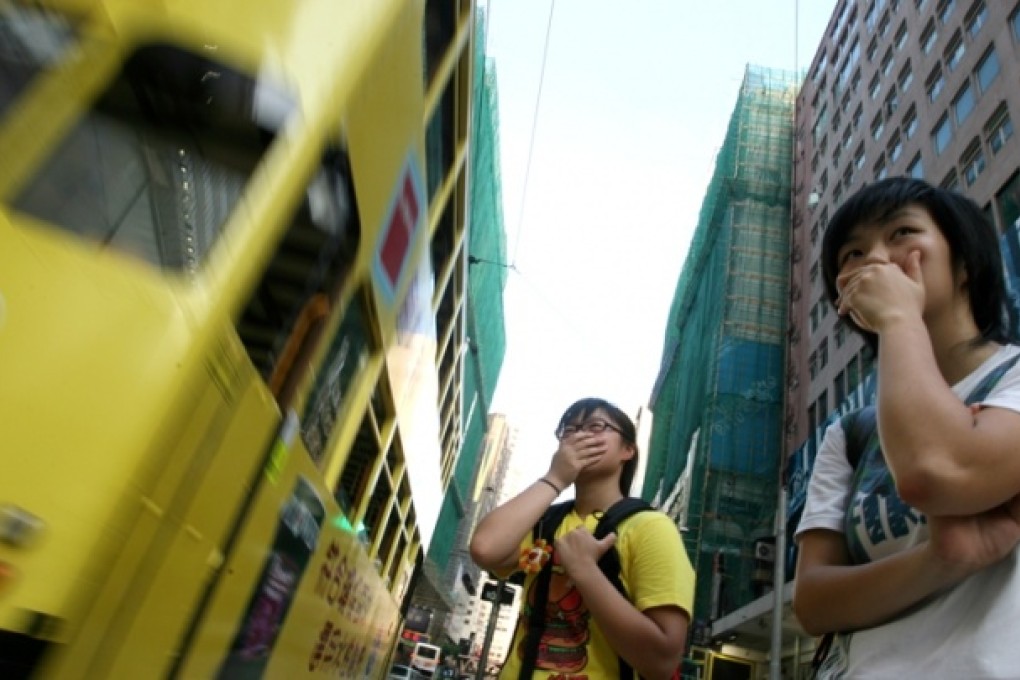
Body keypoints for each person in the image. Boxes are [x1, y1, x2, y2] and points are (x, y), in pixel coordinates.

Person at [792, 177, 1020, 678]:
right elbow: (813, 602)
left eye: (901, 233)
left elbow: (936, 471)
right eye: (852, 253)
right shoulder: (849, 434)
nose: (874, 259)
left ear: (963, 261)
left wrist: (899, 319)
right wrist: (941, 560)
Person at [469, 397, 694, 680]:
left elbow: (662, 661)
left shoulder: (650, 528)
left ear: (627, 450)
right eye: (570, 430)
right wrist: (555, 478)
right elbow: (484, 549)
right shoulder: (546, 523)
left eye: (596, 426)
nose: (580, 435)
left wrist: (585, 570)